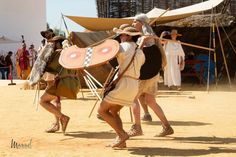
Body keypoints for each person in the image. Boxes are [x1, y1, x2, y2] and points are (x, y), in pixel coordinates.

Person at [98, 25, 145, 148]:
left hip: (123, 83)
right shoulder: (140, 52)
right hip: (134, 85)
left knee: (102, 111)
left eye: (122, 35)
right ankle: (121, 140)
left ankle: (122, 134)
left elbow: (106, 58)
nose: (120, 37)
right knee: (113, 111)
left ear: (129, 36)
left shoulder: (123, 47)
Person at [128, 13, 174, 137]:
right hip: (152, 74)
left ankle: (137, 127)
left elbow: (143, 55)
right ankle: (167, 127)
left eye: (134, 21)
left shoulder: (146, 38)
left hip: (146, 74)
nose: (132, 24)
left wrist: (142, 42)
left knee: (132, 98)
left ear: (141, 23)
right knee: (150, 101)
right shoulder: (146, 36)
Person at [39, 35, 80, 134]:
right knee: (55, 100)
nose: (52, 45)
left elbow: (47, 66)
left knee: (43, 101)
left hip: (63, 83)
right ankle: (57, 123)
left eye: (54, 43)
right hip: (73, 83)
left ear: (58, 44)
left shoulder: (58, 53)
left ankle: (62, 118)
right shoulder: (70, 53)